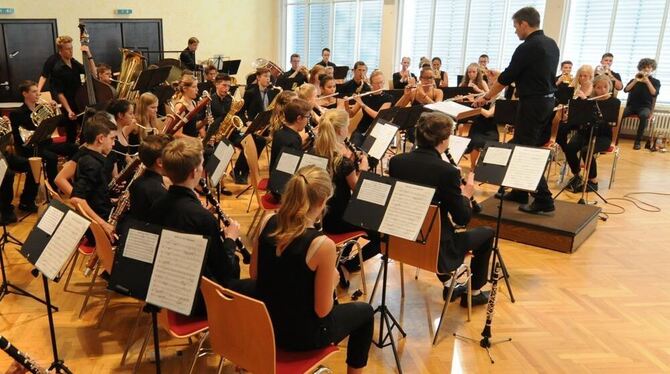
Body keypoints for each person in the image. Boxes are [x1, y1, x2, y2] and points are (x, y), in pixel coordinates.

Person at [251, 165, 374, 374]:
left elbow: (255, 275)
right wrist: (333, 281)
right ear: (321, 201)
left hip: (266, 324)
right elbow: (322, 310)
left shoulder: (267, 220)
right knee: (365, 313)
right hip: (300, 336)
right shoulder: (322, 245)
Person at [389, 112, 494, 304]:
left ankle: (450, 284)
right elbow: (462, 218)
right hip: (437, 250)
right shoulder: (447, 172)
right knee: (487, 233)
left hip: (401, 242)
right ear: (444, 140)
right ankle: (475, 293)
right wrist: (466, 194)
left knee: (434, 224)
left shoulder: (397, 162)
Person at [149, 137, 248, 317]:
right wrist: (230, 239)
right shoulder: (201, 218)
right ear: (194, 172)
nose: (203, 169)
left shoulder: (157, 205)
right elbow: (224, 270)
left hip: (166, 290)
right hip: (199, 299)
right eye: (202, 165)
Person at [474, 6, 559, 214]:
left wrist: (486, 96)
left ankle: (544, 199)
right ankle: (521, 191)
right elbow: (531, 72)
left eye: (515, 26)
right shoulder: (551, 44)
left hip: (533, 104)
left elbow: (507, 77)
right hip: (547, 102)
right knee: (521, 146)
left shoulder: (527, 46)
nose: (515, 31)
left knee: (524, 151)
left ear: (524, 23)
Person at [315, 110, 381, 272]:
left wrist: (350, 163)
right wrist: (363, 169)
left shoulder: (315, 151)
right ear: (340, 131)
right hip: (339, 219)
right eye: (347, 126)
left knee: (362, 222)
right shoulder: (343, 163)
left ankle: (341, 258)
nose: (348, 128)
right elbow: (358, 190)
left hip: (321, 215)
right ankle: (349, 265)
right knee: (382, 237)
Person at [9, 80, 77, 191]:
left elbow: (62, 123)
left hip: (46, 144)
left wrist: (56, 110)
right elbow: (17, 137)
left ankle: (67, 179)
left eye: (38, 91)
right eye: (34, 92)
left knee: (74, 148)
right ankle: (54, 188)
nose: (38, 94)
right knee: (52, 157)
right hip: (29, 147)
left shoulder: (42, 108)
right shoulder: (17, 113)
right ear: (25, 94)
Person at [69, 113, 117, 240]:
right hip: (99, 227)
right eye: (112, 139)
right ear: (101, 139)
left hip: (101, 216)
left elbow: (93, 194)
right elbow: (77, 199)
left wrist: (110, 200)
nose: (114, 144)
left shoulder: (89, 158)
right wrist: (103, 224)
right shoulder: (92, 164)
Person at [213, 74, 266, 185]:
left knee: (258, 141)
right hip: (218, 135)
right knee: (229, 148)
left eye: (228, 86)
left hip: (232, 132)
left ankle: (239, 170)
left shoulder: (231, 100)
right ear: (217, 84)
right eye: (224, 85)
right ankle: (220, 179)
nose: (226, 89)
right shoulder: (210, 100)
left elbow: (240, 114)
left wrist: (244, 121)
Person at [564, 75, 615, 193]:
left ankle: (593, 181)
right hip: (585, 133)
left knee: (586, 151)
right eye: (598, 87)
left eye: (605, 87)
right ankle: (577, 175)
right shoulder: (588, 101)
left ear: (610, 87)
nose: (601, 90)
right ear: (594, 88)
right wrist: (571, 116)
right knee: (570, 147)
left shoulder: (614, 102)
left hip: (603, 136)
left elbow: (611, 123)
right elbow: (578, 121)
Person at [48, 35, 98, 142]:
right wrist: (69, 110)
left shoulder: (74, 62)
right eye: (67, 49)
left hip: (80, 102)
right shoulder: (57, 69)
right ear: (60, 51)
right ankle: (71, 156)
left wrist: (89, 54)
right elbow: (60, 93)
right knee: (71, 134)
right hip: (69, 105)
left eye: (71, 48)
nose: (71, 51)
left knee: (87, 131)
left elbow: (93, 73)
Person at [268, 99, 312, 199]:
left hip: (274, 182)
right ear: (299, 118)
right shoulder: (293, 139)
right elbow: (294, 170)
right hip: (282, 190)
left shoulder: (280, 132)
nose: (308, 120)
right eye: (307, 117)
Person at [0, 117, 38, 222]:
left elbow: (9, 141)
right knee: (8, 174)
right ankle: (5, 210)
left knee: (32, 164)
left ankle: (26, 201)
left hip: (3, 155)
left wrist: (7, 127)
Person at [465, 70, 502, 170]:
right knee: (476, 142)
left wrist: (478, 106)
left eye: (493, 84)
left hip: (490, 127)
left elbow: (489, 114)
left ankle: (484, 167)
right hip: (478, 126)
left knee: (490, 142)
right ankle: (473, 166)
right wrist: (468, 101)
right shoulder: (484, 95)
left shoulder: (500, 99)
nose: (491, 87)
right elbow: (472, 110)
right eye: (490, 84)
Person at [344, 70, 392, 147]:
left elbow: (378, 116)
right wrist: (346, 104)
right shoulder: (364, 96)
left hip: (378, 131)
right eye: (377, 83)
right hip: (362, 130)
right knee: (354, 149)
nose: (380, 86)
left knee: (371, 154)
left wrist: (362, 104)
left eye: (381, 82)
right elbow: (351, 114)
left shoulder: (388, 98)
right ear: (371, 84)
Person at [623, 58, 661, 150]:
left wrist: (647, 81)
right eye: (644, 67)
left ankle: (637, 142)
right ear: (640, 68)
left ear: (652, 69)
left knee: (644, 115)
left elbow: (654, 93)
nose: (646, 69)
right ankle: (614, 139)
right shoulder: (635, 79)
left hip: (645, 107)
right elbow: (626, 90)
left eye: (649, 67)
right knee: (620, 114)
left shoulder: (656, 82)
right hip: (631, 106)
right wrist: (636, 80)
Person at [555, 65, 594, 154]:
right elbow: (567, 103)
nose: (582, 78)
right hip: (573, 117)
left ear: (590, 77)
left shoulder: (593, 88)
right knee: (559, 127)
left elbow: (592, 108)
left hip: (586, 120)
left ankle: (569, 151)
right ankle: (566, 151)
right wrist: (566, 113)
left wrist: (584, 98)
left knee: (563, 128)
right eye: (580, 75)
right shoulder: (575, 87)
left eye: (585, 76)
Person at [106, 99, 140, 173]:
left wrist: (135, 165)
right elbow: (114, 172)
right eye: (130, 113)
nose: (133, 117)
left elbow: (124, 154)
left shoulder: (121, 131)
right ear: (120, 115)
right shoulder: (111, 136)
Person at [171, 74, 206, 139]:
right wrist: (195, 140)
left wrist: (204, 121)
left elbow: (192, 128)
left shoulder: (193, 102)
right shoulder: (180, 106)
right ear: (184, 89)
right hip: (185, 146)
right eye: (194, 87)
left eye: (197, 87)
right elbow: (177, 134)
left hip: (192, 142)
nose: (197, 90)